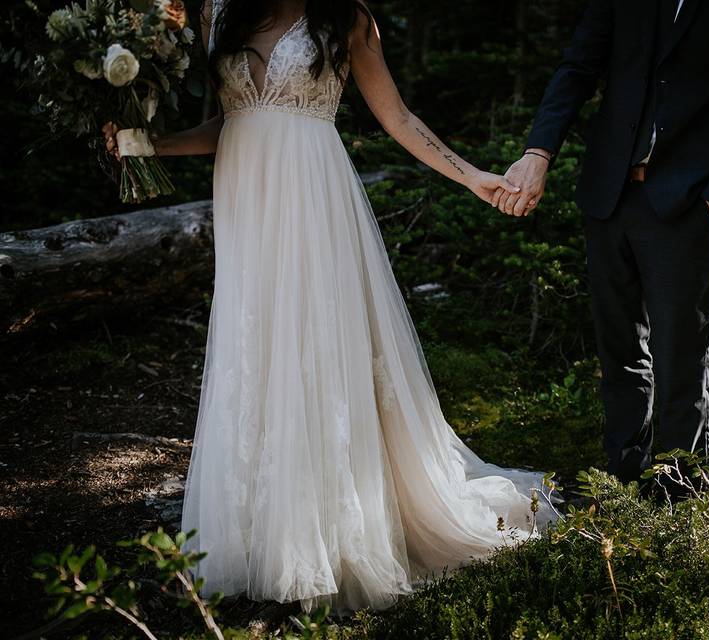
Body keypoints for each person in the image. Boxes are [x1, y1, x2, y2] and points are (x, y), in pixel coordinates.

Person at [105, 0, 561, 615]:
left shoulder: (347, 16)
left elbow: (398, 117)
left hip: (315, 193)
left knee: (317, 339)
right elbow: (227, 126)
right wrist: (144, 143)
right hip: (247, 197)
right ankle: (260, 527)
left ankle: (336, 529)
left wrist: (471, 175)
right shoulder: (219, 11)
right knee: (257, 340)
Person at [494, 0, 709, 496]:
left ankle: (680, 498)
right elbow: (578, 67)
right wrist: (538, 151)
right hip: (609, 196)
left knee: (683, 359)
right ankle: (624, 485)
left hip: (686, 205)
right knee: (620, 353)